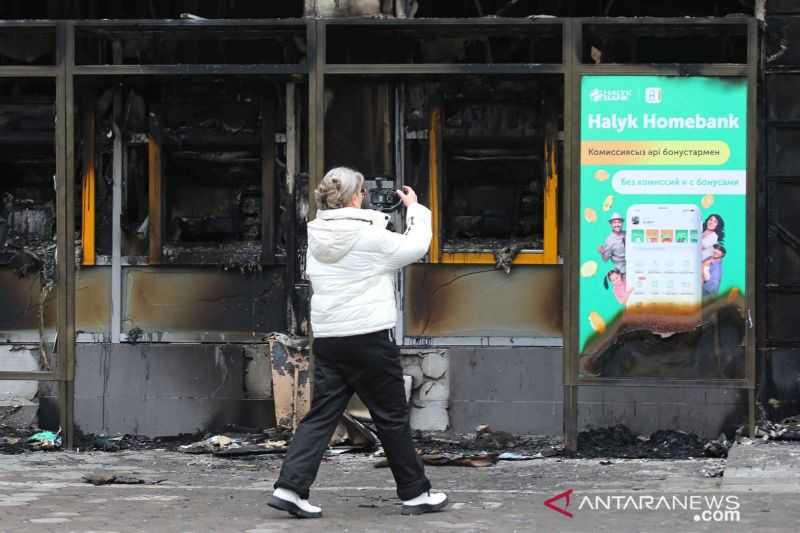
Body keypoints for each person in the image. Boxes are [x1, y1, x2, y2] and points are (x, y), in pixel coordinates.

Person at [269, 167, 448, 519]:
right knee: (391, 417)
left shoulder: (316, 236)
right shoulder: (370, 237)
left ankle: (289, 488)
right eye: (362, 192)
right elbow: (415, 247)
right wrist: (414, 209)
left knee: (321, 415)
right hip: (368, 337)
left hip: (330, 339)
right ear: (355, 197)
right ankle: (415, 494)